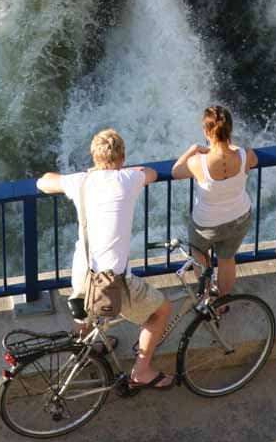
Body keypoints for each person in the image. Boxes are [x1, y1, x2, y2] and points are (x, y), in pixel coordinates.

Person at [36, 128, 174, 390]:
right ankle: (141, 371)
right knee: (161, 311)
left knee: (84, 315)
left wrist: (79, 175)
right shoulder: (129, 178)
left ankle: (85, 354)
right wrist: (130, 169)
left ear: (93, 157)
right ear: (122, 157)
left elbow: (42, 182)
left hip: (82, 273)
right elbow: (152, 174)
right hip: (113, 282)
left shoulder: (81, 182)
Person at [172, 105, 257, 296]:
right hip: (239, 218)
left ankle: (209, 300)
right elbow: (255, 161)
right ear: (230, 130)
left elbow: (175, 171)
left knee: (200, 257)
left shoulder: (197, 162)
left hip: (206, 226)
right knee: (227, 259)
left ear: (206, 131)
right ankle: (223, 300)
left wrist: (193, 149)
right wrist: (235, 147)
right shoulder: (246, 155)